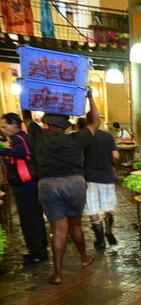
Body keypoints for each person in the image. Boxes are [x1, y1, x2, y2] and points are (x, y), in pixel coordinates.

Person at [22, 90, 99, 285]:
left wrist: (29, 91)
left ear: (47, 123)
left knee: (58, 230)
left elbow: (26, 117)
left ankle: (57, 274)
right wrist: (90, 97)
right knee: (75, 225)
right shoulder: (76, 138)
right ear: (66, 125)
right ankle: (84, 258)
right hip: (74, 184)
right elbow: (94, 122)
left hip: (47, 185)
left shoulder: (39, 136)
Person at [0, 113, 48, 265]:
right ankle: (35, 251)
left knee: (31, 220)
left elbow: (22, 153)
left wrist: (3, 151)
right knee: (30, 220)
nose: (2, 129)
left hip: (27, 187)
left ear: (14, 124)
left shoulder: (19, 138)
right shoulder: (19, 138)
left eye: (3, 126)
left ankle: (38, 254)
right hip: (26, 187)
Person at [83, 113, 120, 249]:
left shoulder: (82, 136)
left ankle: (100, 240)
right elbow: (115, 155)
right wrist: (113, 165)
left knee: (92, 207)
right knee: (108, 205)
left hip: (89, 177)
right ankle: (109, 231)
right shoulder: (107, 136)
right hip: (106, 176)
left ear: (87, 121)